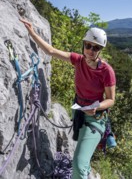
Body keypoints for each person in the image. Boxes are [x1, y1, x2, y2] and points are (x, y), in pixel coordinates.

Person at [20, 19, 116, 179]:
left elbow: (111, 99)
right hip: (79, 113)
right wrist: (32, 32)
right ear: (84, 45)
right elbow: (51, 51)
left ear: (100, 50)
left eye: (96, 47)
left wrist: (97, 106)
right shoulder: (78, 60)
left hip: (95, 118)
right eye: (88, 45)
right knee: (81, 161)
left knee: (78, 164)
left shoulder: (107, 71)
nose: (91, 50)